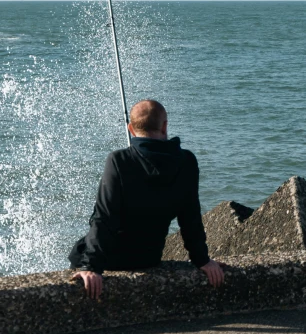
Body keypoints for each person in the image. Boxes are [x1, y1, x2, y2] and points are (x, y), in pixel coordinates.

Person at [69, 99, 224, 298]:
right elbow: (190, 218)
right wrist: (202, 260)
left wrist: (90, 266)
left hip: (113, 259)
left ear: (131, 129)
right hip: (148, 257)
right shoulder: (187, 161)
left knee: (78, 252)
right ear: (165, 126)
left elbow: (104, 217)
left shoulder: (119, 160)